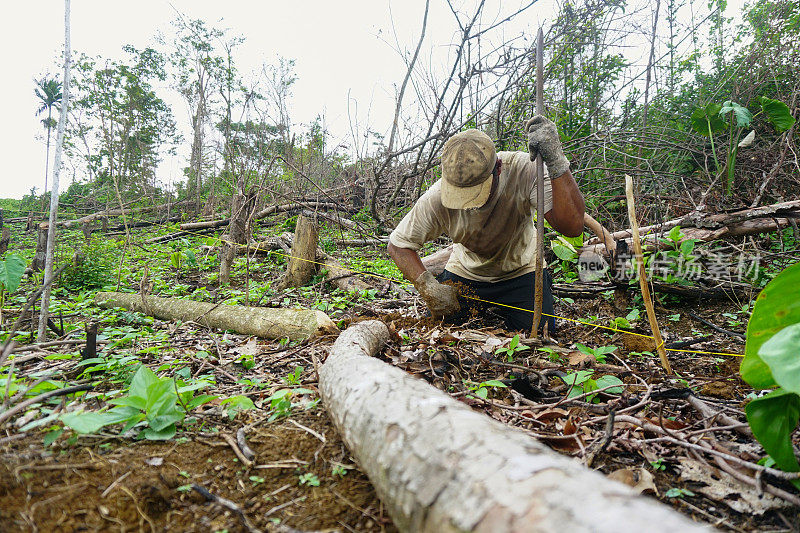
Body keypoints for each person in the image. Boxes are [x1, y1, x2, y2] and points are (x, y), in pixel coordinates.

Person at [387, 116, 585, 332]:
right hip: (466, 272)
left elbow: (572, 226)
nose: (469, 204)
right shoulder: (436, 197)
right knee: (439, 328)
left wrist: (556, 161)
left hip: (521, 270)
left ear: (498, 168)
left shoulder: (525, 171)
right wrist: (429, 287)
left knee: (540, 331)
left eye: (476, 192)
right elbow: (398, 246)